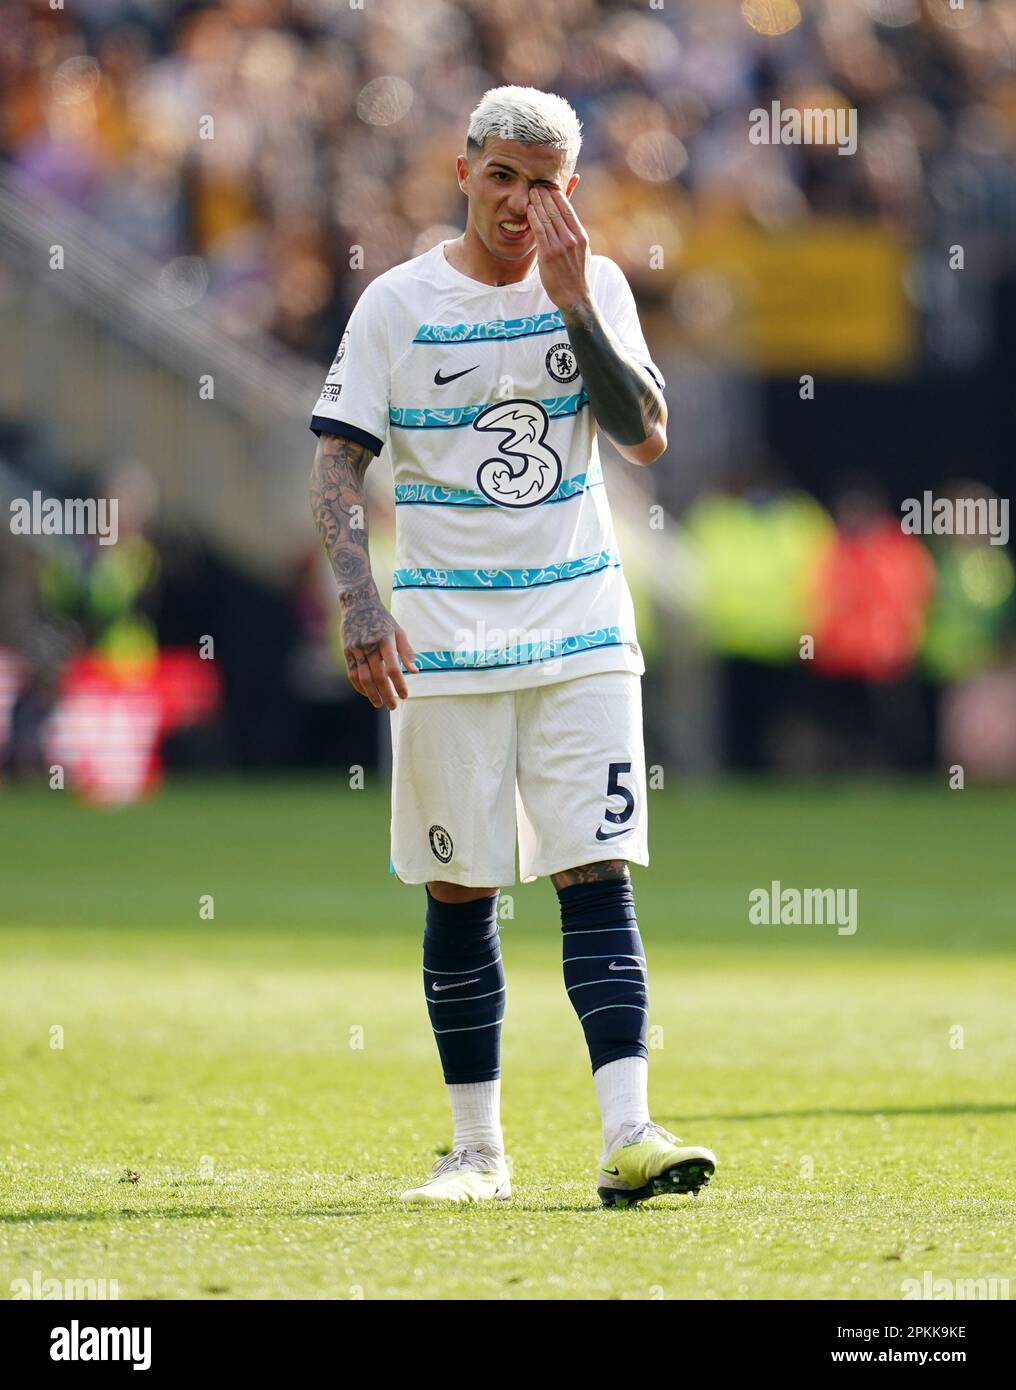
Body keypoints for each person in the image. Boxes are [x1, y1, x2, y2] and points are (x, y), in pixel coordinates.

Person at [309, 85, 716, 1207]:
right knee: (459, 888)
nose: (518, 201)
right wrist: (359, 600)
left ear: (568, 191)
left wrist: (576, 298)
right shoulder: (397, 303)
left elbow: (640, 436)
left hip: (581, 629)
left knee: (597, 875)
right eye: (501, 175)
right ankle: (476, 1153)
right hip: (443, 640)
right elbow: (338, 460)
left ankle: (628, 1132)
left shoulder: (596, 285)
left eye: (543, 183)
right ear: (463, 169)